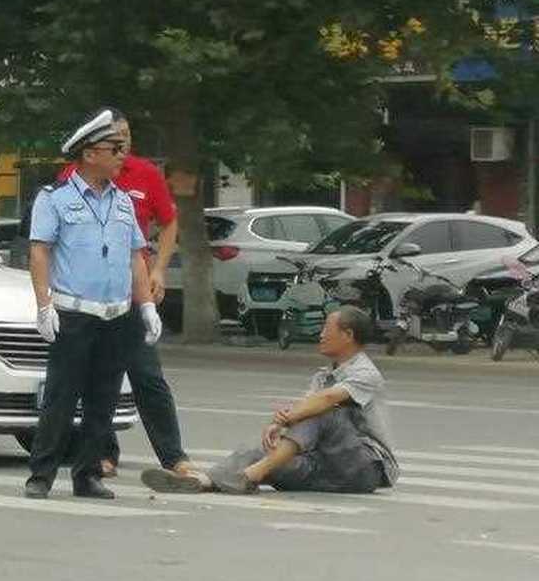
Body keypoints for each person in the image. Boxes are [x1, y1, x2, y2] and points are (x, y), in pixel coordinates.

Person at [54, 112, 200, 482]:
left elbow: (168, 223)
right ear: (95, 147)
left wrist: (158, 270)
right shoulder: (71, 179)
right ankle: (103, 454)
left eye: (126, 137)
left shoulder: (145, 174)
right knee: (96, 379)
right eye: (115, 139)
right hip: (87, 296)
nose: (123, 146)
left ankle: (174, 456)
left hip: (131, 293)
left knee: (147, 376)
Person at [25, 109, 162, 500]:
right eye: (114, 148)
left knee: (103, 401)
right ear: (89, 154)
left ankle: (87, 475)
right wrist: (43, 304)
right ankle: (41, 474)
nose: (123, 155)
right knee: (61, 397)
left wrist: (147, 305)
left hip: (116, 313)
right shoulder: (55, 199)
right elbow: (40, 252)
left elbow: (136, 256)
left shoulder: (121, 202)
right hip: (74, 313)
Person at [143, 304, 398, 495]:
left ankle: (250, 475)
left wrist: (288, 418)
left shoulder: (366, 373)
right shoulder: (323, 376)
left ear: (348, 335)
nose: (320, 335)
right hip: (324, 467)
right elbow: (304, 412)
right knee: (265, 451)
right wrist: (280, 426)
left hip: (364, 468)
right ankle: (204, 481)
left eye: (326, 329)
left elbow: (326, 401)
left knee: (324, 409)